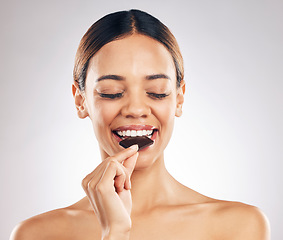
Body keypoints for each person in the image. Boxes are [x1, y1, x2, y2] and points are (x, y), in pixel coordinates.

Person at [10, 9, 270, 240]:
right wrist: (115, 233)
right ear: (81, 101)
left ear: (179, 98)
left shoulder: (240, 227)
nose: (135, 109)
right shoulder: (36, 235)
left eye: (157, 92)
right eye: (111, 92)